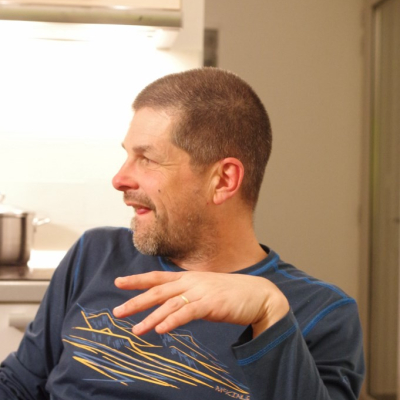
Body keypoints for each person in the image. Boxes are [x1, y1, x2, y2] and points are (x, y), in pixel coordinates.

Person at [0, 67, 364, 400]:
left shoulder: (322, 313)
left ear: (223, 181)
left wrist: (270, 313)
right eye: (127, 156)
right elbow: (19, 383)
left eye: (147, 159)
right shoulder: (95, 255)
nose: (119, 179)